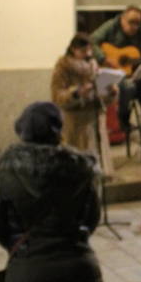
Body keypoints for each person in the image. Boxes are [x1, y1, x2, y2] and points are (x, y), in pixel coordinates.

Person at [0, 102, 105, 282]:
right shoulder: (80, 170)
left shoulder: (8, 173)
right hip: (76, 271)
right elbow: (92, 218)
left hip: (29, 274)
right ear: (58, 132)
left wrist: (17, 246)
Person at [90, 5, 141, 157]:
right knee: (127, 87)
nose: (134, 27)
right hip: (113, 79)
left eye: (137, 23)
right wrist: (104, 58)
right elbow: (91, 42)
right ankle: (123, 119)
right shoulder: (110, 27)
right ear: (122, 19)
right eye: (131, 22)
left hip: (135, 80)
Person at [51, 33, 115, 177]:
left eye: (90, 50)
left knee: (96, 166)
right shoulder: (63, 67)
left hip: (94, 119)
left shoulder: (93, 65)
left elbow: (101, 94)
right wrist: (77, 93)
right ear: (73, 49)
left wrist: (110, 91)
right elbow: (57, 96)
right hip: (76, 122)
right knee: (79, 168)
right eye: (84, 51)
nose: (88, 54)